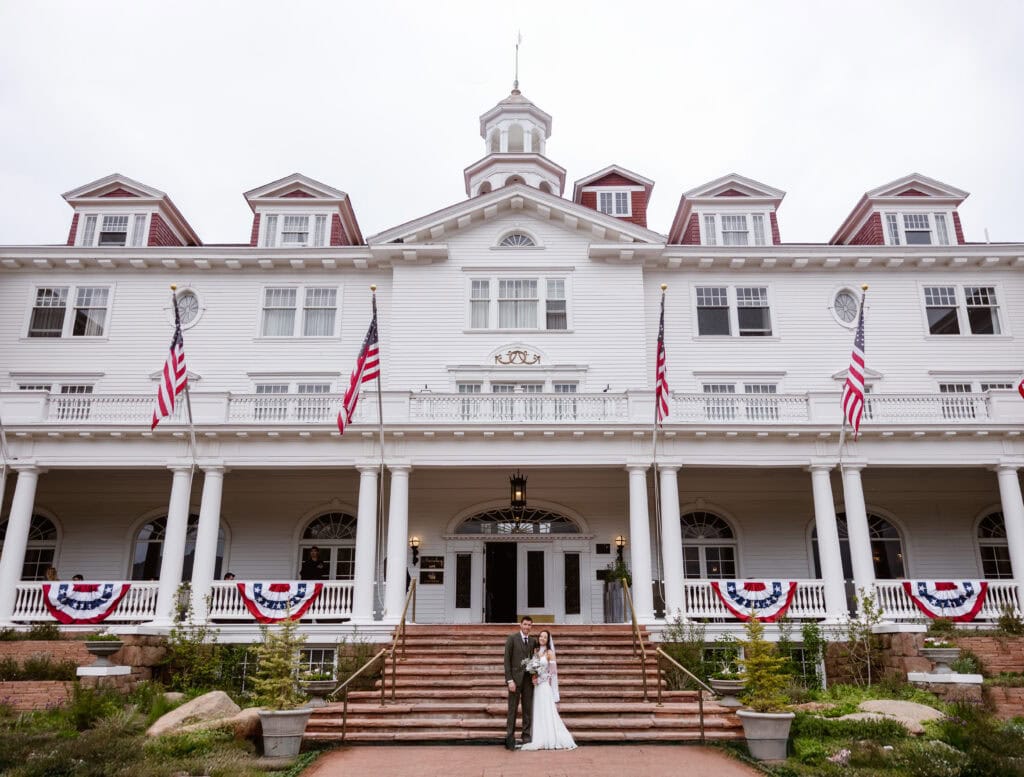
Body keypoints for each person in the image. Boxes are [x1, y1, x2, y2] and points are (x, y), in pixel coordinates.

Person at [520, 630, 576, 751]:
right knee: (538, 711)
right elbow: (533, 667)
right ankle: (539, 736)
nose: (542, 638)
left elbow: (552, 673)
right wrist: (533, 675)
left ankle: (551, 737)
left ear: (548, 639)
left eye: (545, 637)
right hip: (536, 688)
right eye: (541, 636)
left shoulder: (550, 653)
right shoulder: (535, 651)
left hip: (545, 686)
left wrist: (540, 680)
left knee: (546, 711)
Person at [503, 615, 537, 750]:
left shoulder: (533, 641)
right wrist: (509, 680)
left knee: (527, 709)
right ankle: (510, 737)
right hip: (515, 681)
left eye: (529, 625)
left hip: (528, 681)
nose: (527, 627)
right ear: (520, 625)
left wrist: (535, 674)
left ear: (531, 627)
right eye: (525, 624)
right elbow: (506, 661)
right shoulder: (512, 639)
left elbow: (535, 658)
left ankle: (526, 736)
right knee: (512, 709)